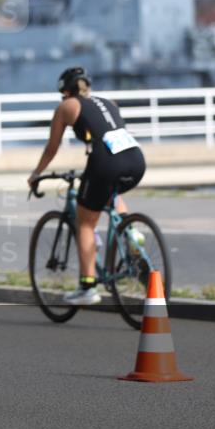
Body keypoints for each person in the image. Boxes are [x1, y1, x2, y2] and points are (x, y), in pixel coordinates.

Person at [27, 67, 146, 305]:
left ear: (65, 91)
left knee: (84, 222)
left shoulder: (67, 106)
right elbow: (105, 132)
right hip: (135, 159)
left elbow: (53, 147)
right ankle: (131, 233)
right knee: (110, 192)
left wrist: (36, 174)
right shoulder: (107, 101)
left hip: (106, 162)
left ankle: (88, 287)